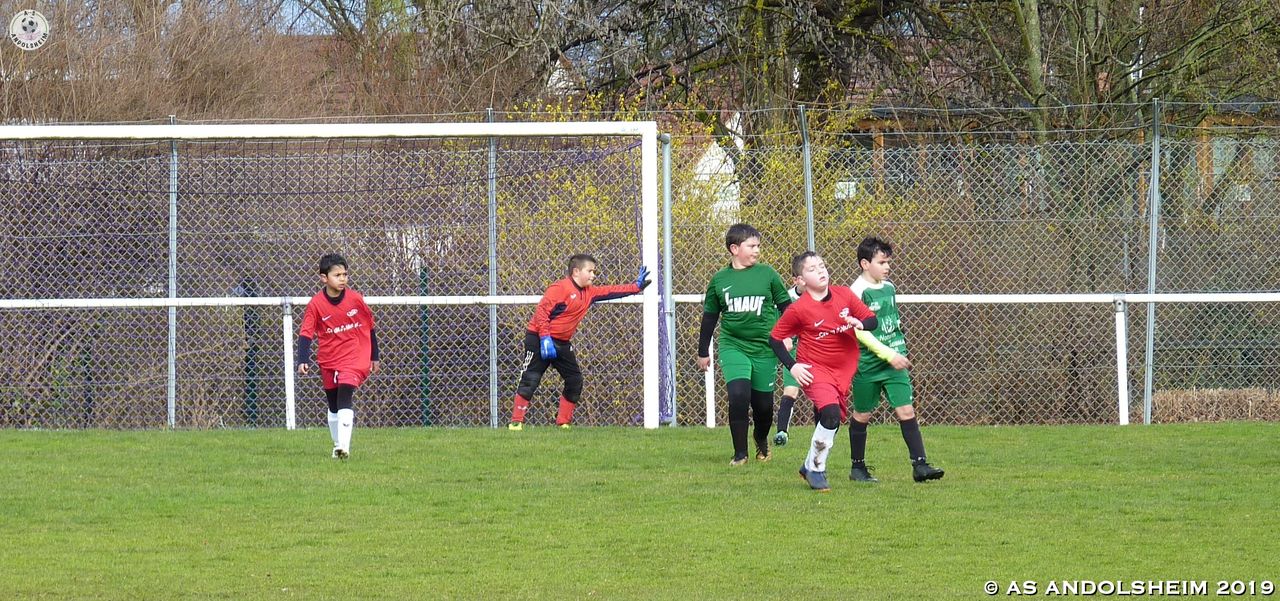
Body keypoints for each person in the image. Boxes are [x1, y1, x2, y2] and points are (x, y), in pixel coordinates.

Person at [769, 251, 877, 492]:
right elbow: (775, 339)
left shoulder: (844, 295)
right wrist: (793, 366)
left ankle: (808, 464)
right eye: (812, 269)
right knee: (829, 413)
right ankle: (817, 469)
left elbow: (872, 320)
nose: (820, 271)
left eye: (822, 266)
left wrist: (860, 323)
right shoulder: (799, 309)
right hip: (814, 369)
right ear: (800, 280)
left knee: (833, 421)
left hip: (843, 370)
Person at [508, 254, 650, 430]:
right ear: (576, 271)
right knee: (531, 379)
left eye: (594, 272)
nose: (593, 275)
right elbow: (541, 313)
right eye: (590, 271)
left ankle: (563, 423)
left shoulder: (589, 293)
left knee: (575, 380)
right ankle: (516, 422)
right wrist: (544, 338)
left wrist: (636, 287)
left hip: (562, 342)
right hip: (538, 339)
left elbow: (611, 290)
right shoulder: (559, 288)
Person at [848, 237, 944, 483]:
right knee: (862, 414)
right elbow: (860, 332)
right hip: (868, 364)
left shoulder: (889, 288)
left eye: (888, 262)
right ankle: (857, 467)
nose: (887, 267)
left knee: (906, 409)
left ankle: (920, 465)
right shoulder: (857, 292)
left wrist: (898, 349)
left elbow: (891, 322)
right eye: (881, 262)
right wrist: (887, 353)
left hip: (894, 362)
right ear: (865, 264)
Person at [697, 223, 793, 465]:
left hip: (764, 348)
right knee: (738, 395)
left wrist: (787, 335)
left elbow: (788, 308)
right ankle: (740, 454)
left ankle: (761, 439)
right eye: (751, 246)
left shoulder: (768, 274)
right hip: (733, 345)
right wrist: (702, 351)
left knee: (763, 406)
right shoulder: (720, 280)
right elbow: (709, 317)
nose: (757, 250)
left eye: (758, 246)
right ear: (734, 248)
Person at [296, 253, 380, 459]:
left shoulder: (356, 299)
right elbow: (306, 333)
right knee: (333, 404)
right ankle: (337, 445)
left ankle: (344, 447)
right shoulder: (316, 304)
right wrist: (302, 359)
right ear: (324, 278)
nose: (343, 279)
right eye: (337, 275)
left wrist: (374, 356)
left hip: (355, 355)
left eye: (345, 274)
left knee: (345, 392)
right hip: (330, 357)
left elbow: (370, 327)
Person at [773, 280, 803, 446]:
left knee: (821, 394)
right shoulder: (786, 299)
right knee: (791, 390)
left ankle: (824, 431)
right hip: (794, 352)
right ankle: (782, 432)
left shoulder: (820, 295)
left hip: (815, 349)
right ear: (796, 280)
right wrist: (785, 337)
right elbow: (778, 323)